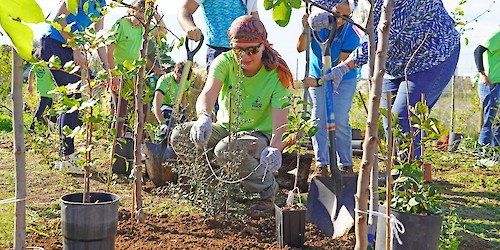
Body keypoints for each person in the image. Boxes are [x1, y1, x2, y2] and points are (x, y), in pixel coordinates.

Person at [307, 0, 460, 160]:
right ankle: (396, 174)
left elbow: (383, 37)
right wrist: (315, 9)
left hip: (431, 57)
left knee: (404, 118)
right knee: (390, 121)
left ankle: (407, 180)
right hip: (393, 64)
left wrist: (344, 67)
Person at [171, 15, 294, 212]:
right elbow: (208, 94)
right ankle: (219, 192)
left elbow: (281, 126)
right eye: (238, 50)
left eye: (252, 50)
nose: (244, 56)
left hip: (258, 135)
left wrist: (276, 149)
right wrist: (203, 116)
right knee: (181, 135)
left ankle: (267, 194)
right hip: (226, 128)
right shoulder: (225, 62)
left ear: (263, 46)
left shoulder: (276, 74)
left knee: (227, 149)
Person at [40, 0, 108, 167]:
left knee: (76, 100)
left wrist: (107, 68)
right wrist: (76, 49)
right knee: (71, 98)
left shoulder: (102, 4)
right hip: (54, 44)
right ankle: (66, 157)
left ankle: (68, 155)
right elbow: (58, 19)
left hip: (70, 47)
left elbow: (99, 38)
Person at [298, 2, 360, 176]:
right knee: (318, 120)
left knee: (339, 119)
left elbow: (341, 66)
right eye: (337, 14)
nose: (340, 20)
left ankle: (346, 165)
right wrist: (305, 28)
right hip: (317, 76)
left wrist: (319, 81)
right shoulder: (318, 23)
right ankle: (322, 165)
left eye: (346, 17)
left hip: (343, 78)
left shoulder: (351, 33)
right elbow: (300, 48)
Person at [107, 0, 167, 138]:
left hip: (136, 75)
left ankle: (139, 142)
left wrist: (155, 14)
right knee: (121, 110)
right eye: (140, 15)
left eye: (145, 16)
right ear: (132, 11)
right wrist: (113, 75)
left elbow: (163, 32)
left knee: (143, 108)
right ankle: (116, 143)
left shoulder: (144, 27)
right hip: (120, 74)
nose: (142, 20)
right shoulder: (120, 24)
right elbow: (109, 52)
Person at [474, 27, 500, 162]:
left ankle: (496, 156)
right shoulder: (498, 34)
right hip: (491, 84)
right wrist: (482, 74)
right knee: (490, 120)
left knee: (498, 122)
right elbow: (478, 51)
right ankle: (482, 156)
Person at [153, 61, 192, 138]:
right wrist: (162, 123)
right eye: (180, 78)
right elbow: (156, 105)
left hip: (176, 107)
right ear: (174, 71)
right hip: (164, 107)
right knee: (168, 117)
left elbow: (183, 95)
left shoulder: (186, 82)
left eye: (184, 80)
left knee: (185, 126)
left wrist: (184, 110)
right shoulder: (164, 81)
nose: (181, 81)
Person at [28, 49, 57, 133]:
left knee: (52, 110)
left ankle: (51, 127)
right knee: (40, 110)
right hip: (47, 90)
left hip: (46, 90)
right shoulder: (47, 65)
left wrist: (30, 85)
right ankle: (32, 127)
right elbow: (53, 76)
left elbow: (31, 72)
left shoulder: (36, 65)